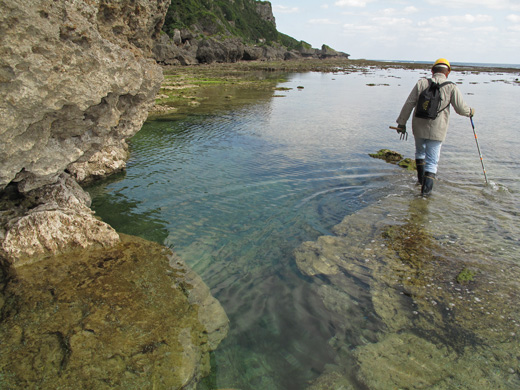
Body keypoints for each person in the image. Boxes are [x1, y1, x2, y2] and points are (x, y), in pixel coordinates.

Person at [395, 58, 475, 196]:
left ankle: (420, 182)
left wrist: (401, 123)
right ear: (448, 72)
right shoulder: (451, 87)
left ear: (432, 70)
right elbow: (461, 109)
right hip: (438, 129)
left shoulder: (421, 83)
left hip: (418, 126)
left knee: (420, 153)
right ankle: (425, 196)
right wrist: (471, 112)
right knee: (432, 162)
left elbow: (409, 104)